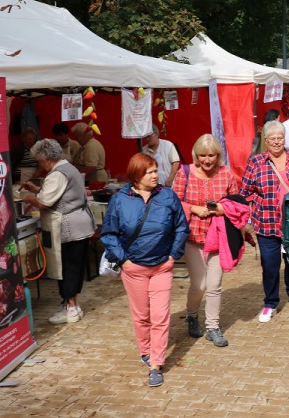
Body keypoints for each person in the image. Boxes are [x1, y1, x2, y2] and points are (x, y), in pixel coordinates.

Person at [101, 153, 189, 388]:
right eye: (149, 171)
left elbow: (181, 227)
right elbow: (109, 234)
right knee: (142, 316)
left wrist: (173, 256)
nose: (155, 175)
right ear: (136, 176)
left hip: (162, 266)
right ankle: (145, 349)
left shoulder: (167, 196)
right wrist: (123, 261)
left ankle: (155, 364)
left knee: (160, 316)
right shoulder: (119, 200)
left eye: (155, 170)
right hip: (134, 268)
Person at [240, 121, 289, 322]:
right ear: (266, 140)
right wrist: (256, 205)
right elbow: (245, 192)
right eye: (272, 138)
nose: (276, 142)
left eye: (279, 138)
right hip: (267, 222)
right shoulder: (256, 162)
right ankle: (270, 302)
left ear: (285, 138)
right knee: (270, 265)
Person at [172, 134, 240, 347]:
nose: (207, 160)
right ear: (196, 155)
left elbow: (236, 202)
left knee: (214, 285)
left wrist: (221, 208)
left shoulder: (226, 173)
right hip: (193, 237)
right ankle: (192, 315)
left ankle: (213, 327)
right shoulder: (185, 173)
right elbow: (173, 202)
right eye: (203, 155)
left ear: (218, 155)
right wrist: (193, 208)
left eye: (211, 155)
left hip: (218, 236)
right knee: (199, 285)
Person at [21, 139, 96, 325]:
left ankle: (70, 308)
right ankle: (73, 306)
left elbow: (45, 202)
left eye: (39, 161)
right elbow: (59, 194)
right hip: (80, 223)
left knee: (67, 267)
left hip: (68, 226)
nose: (40, 165)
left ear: (46, 158)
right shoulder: (69, 168)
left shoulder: (57, 173)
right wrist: (37, 189)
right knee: (75, 266)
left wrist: (29, 197)